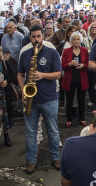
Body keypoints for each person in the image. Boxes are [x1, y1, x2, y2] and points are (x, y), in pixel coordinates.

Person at [18, 25, 63, 174]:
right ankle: (31, 160)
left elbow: (58, 74)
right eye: (33, 37)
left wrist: (42, 75)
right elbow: (20, 74)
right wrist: (23, 91)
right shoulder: (25, 54)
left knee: (53, 130)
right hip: (31, 98)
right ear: (29, 37)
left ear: (43, 36)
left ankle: (56, 157)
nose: (36, 39)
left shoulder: (52, 52)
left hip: (49, 97)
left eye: (38, 36)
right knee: (31, 132)